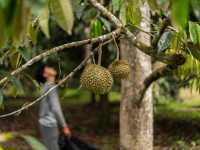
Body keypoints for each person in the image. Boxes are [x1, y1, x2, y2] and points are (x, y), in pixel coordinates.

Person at [34, 63, 71, 150]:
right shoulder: (51, 87)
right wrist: (64, 126)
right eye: (47, 68)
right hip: (49, 123)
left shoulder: (47, 86)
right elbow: (56, 108)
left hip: (45, 123)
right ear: (44, 74)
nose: (51, 67)